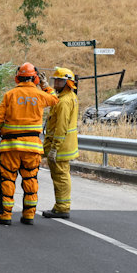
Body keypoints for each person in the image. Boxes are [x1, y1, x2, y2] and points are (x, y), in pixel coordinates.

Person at [0, 62, 58, 226]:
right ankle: (28, 216)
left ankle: (5, 216)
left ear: (17, 78)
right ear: (35, 78)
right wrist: (46, 86)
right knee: (30, 180)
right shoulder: (39, 95)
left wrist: (4, 129)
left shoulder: (10, 95)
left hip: (11, 148)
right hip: (32, 148)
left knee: (7, 181)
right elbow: (55, 100)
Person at [42, 67, 79, 219]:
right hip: (63, 146)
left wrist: (54, 149)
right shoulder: (67, 97)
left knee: (61, 177)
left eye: (58, 80)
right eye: (55, 80)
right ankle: (60, 206)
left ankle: (62, 208)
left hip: (60, 148)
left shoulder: (64, 102)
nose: (55, 82)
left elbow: (61, 127)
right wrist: (45, 86)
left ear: (66, 83)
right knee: (61, 176)